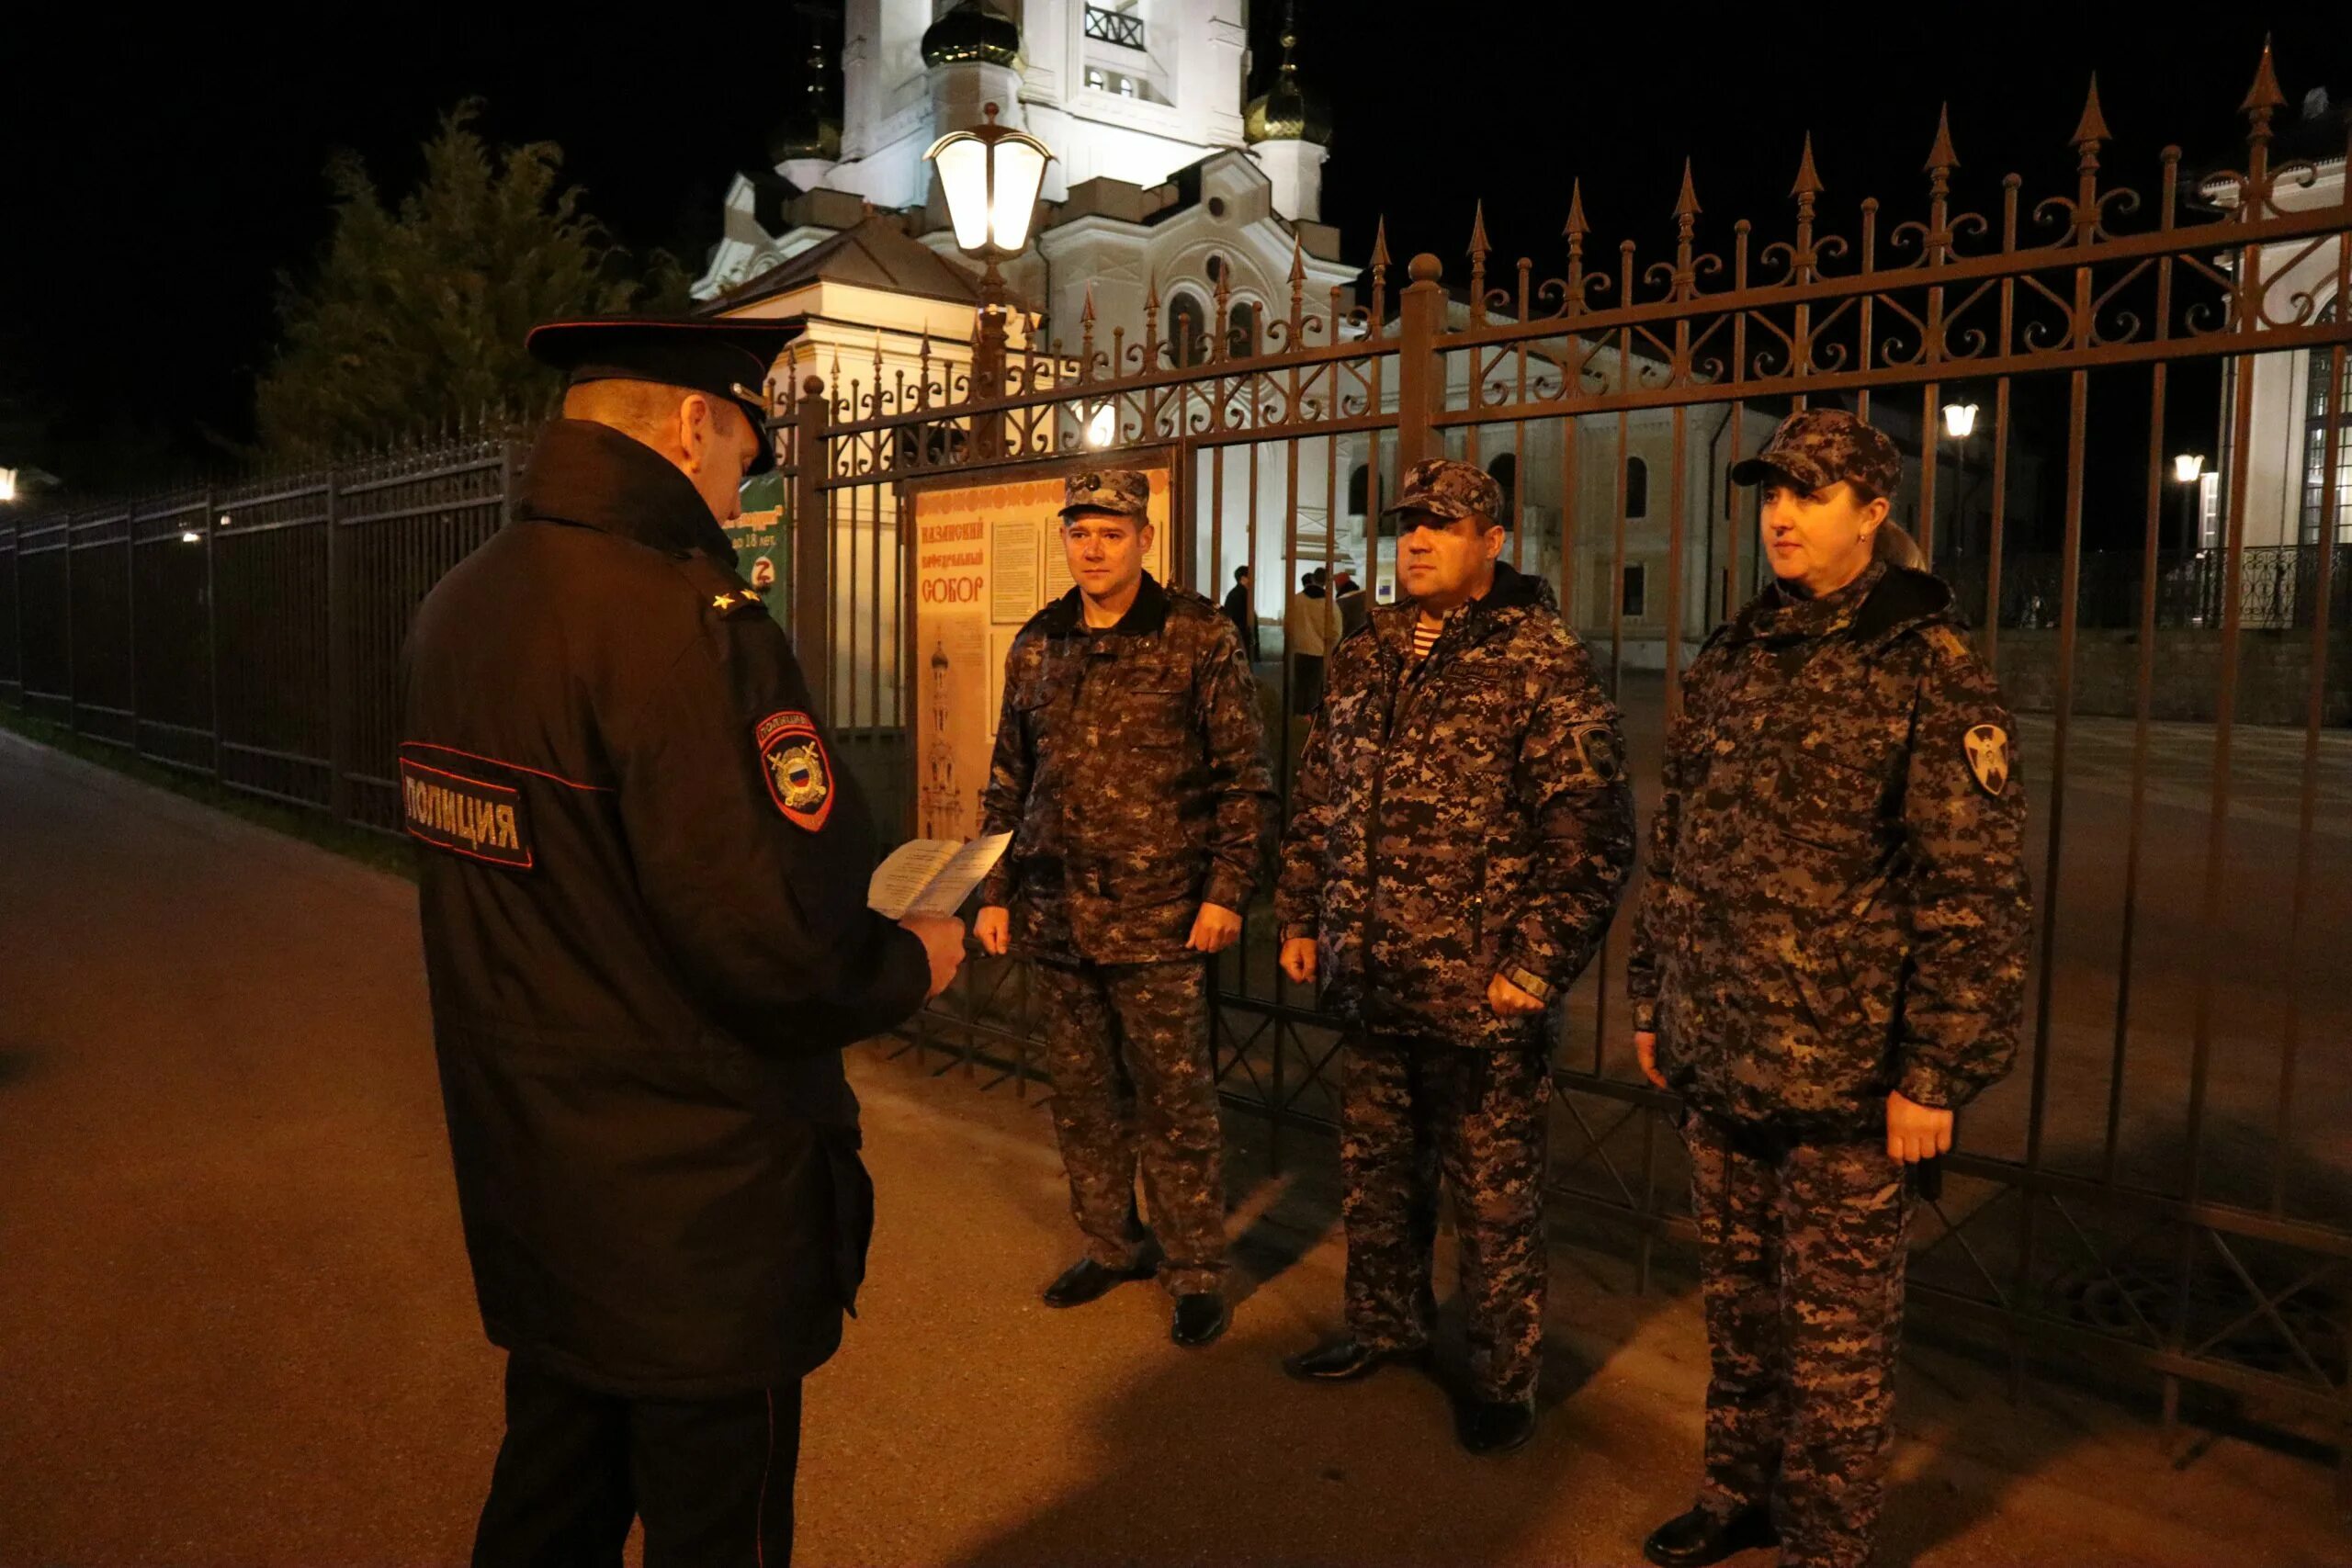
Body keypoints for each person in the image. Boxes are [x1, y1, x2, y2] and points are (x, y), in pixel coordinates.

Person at [401, 316, 967, 1567]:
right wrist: (911, 960)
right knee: (721, 1522)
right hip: (699, 1200)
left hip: (538, 1164)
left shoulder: (462, 602)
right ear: (689, 421)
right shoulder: (687, 623)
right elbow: (775, 938)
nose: (745, 478)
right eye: (747, 446)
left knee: (553, 1493)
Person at [1627, 409, 2030, 1568]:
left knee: (1837, 1340)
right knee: (1741, 1313)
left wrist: (1935, 1072)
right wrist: (1656, 1000)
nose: (1782, 517)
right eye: (1770, 496)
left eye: (1809, 496)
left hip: (1850, 1080)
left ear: (1873, 512)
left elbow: (1973, 894)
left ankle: (1825, 1539)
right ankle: (1734, 1493)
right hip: (1721, 1050)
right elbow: (1681, 847)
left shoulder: (1926, 666)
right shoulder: (1736, 656)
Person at [1275, 457, 1634, 1456]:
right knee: (1377, 1173)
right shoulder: (1367, 650)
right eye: (1408, 525)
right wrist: (1301, 913)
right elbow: (1320, 794)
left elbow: (1591, 836)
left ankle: (1500, 1372)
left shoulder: (1541, 660)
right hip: (1376, 971)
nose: (1418, 540)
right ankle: (1384, 1326)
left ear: (1494, 541)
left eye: (1443, 524)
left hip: (1483, 992)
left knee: (1492, 1196)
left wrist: (1533, 965)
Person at [974, 469, 1277, 1347]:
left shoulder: (1197, 637)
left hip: (1160, 919)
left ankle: (1194, 1269)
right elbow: (1008, 779)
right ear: (1066, 538)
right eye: (1080, 532)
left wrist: (1226, 891)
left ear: (1146, 536)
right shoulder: (1039, 641)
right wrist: (993, 892)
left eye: (1112, 531)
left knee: (1176, 1102)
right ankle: (1113, 1242)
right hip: (1056, 915)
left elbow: (1243, 781)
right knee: (1081, 1096)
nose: (1094, 547)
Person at [1285, 567, 1338, 714]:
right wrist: (1330, 646)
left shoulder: (1296, 599)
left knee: (1298, 688)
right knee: (1314, 689)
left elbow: (1287, 624)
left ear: (1313, 578)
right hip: (1319, 652)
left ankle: (1295, 718)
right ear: (1326, 582)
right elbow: (1337, 630)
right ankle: (1310, 720)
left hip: (1299, 650)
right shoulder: (1330, 604)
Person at [1223, 563, 1261, 661]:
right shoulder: (1239, 595)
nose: (1254, 580)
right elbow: (1237, 620)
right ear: (1243, 578)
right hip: (1242, 641)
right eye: (1251, 577)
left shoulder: (1237, 594)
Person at [1331, 564, 1369, 638]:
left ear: (1337, 586)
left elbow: (1337, 629)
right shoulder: (1366, 596)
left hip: (1350, 642)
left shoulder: (1340, 603)